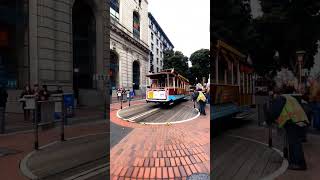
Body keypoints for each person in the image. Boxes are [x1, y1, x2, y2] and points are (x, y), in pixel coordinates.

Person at [265, 86, 309, 170]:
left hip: (294, 121)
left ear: (276, 94)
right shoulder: (289, 97)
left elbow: (273, 112)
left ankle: (299, 164)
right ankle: (294, 161)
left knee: (294, 143)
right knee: (294, 142)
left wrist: (268, 120)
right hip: (300, 120)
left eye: (273, 95)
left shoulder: (280, 98)